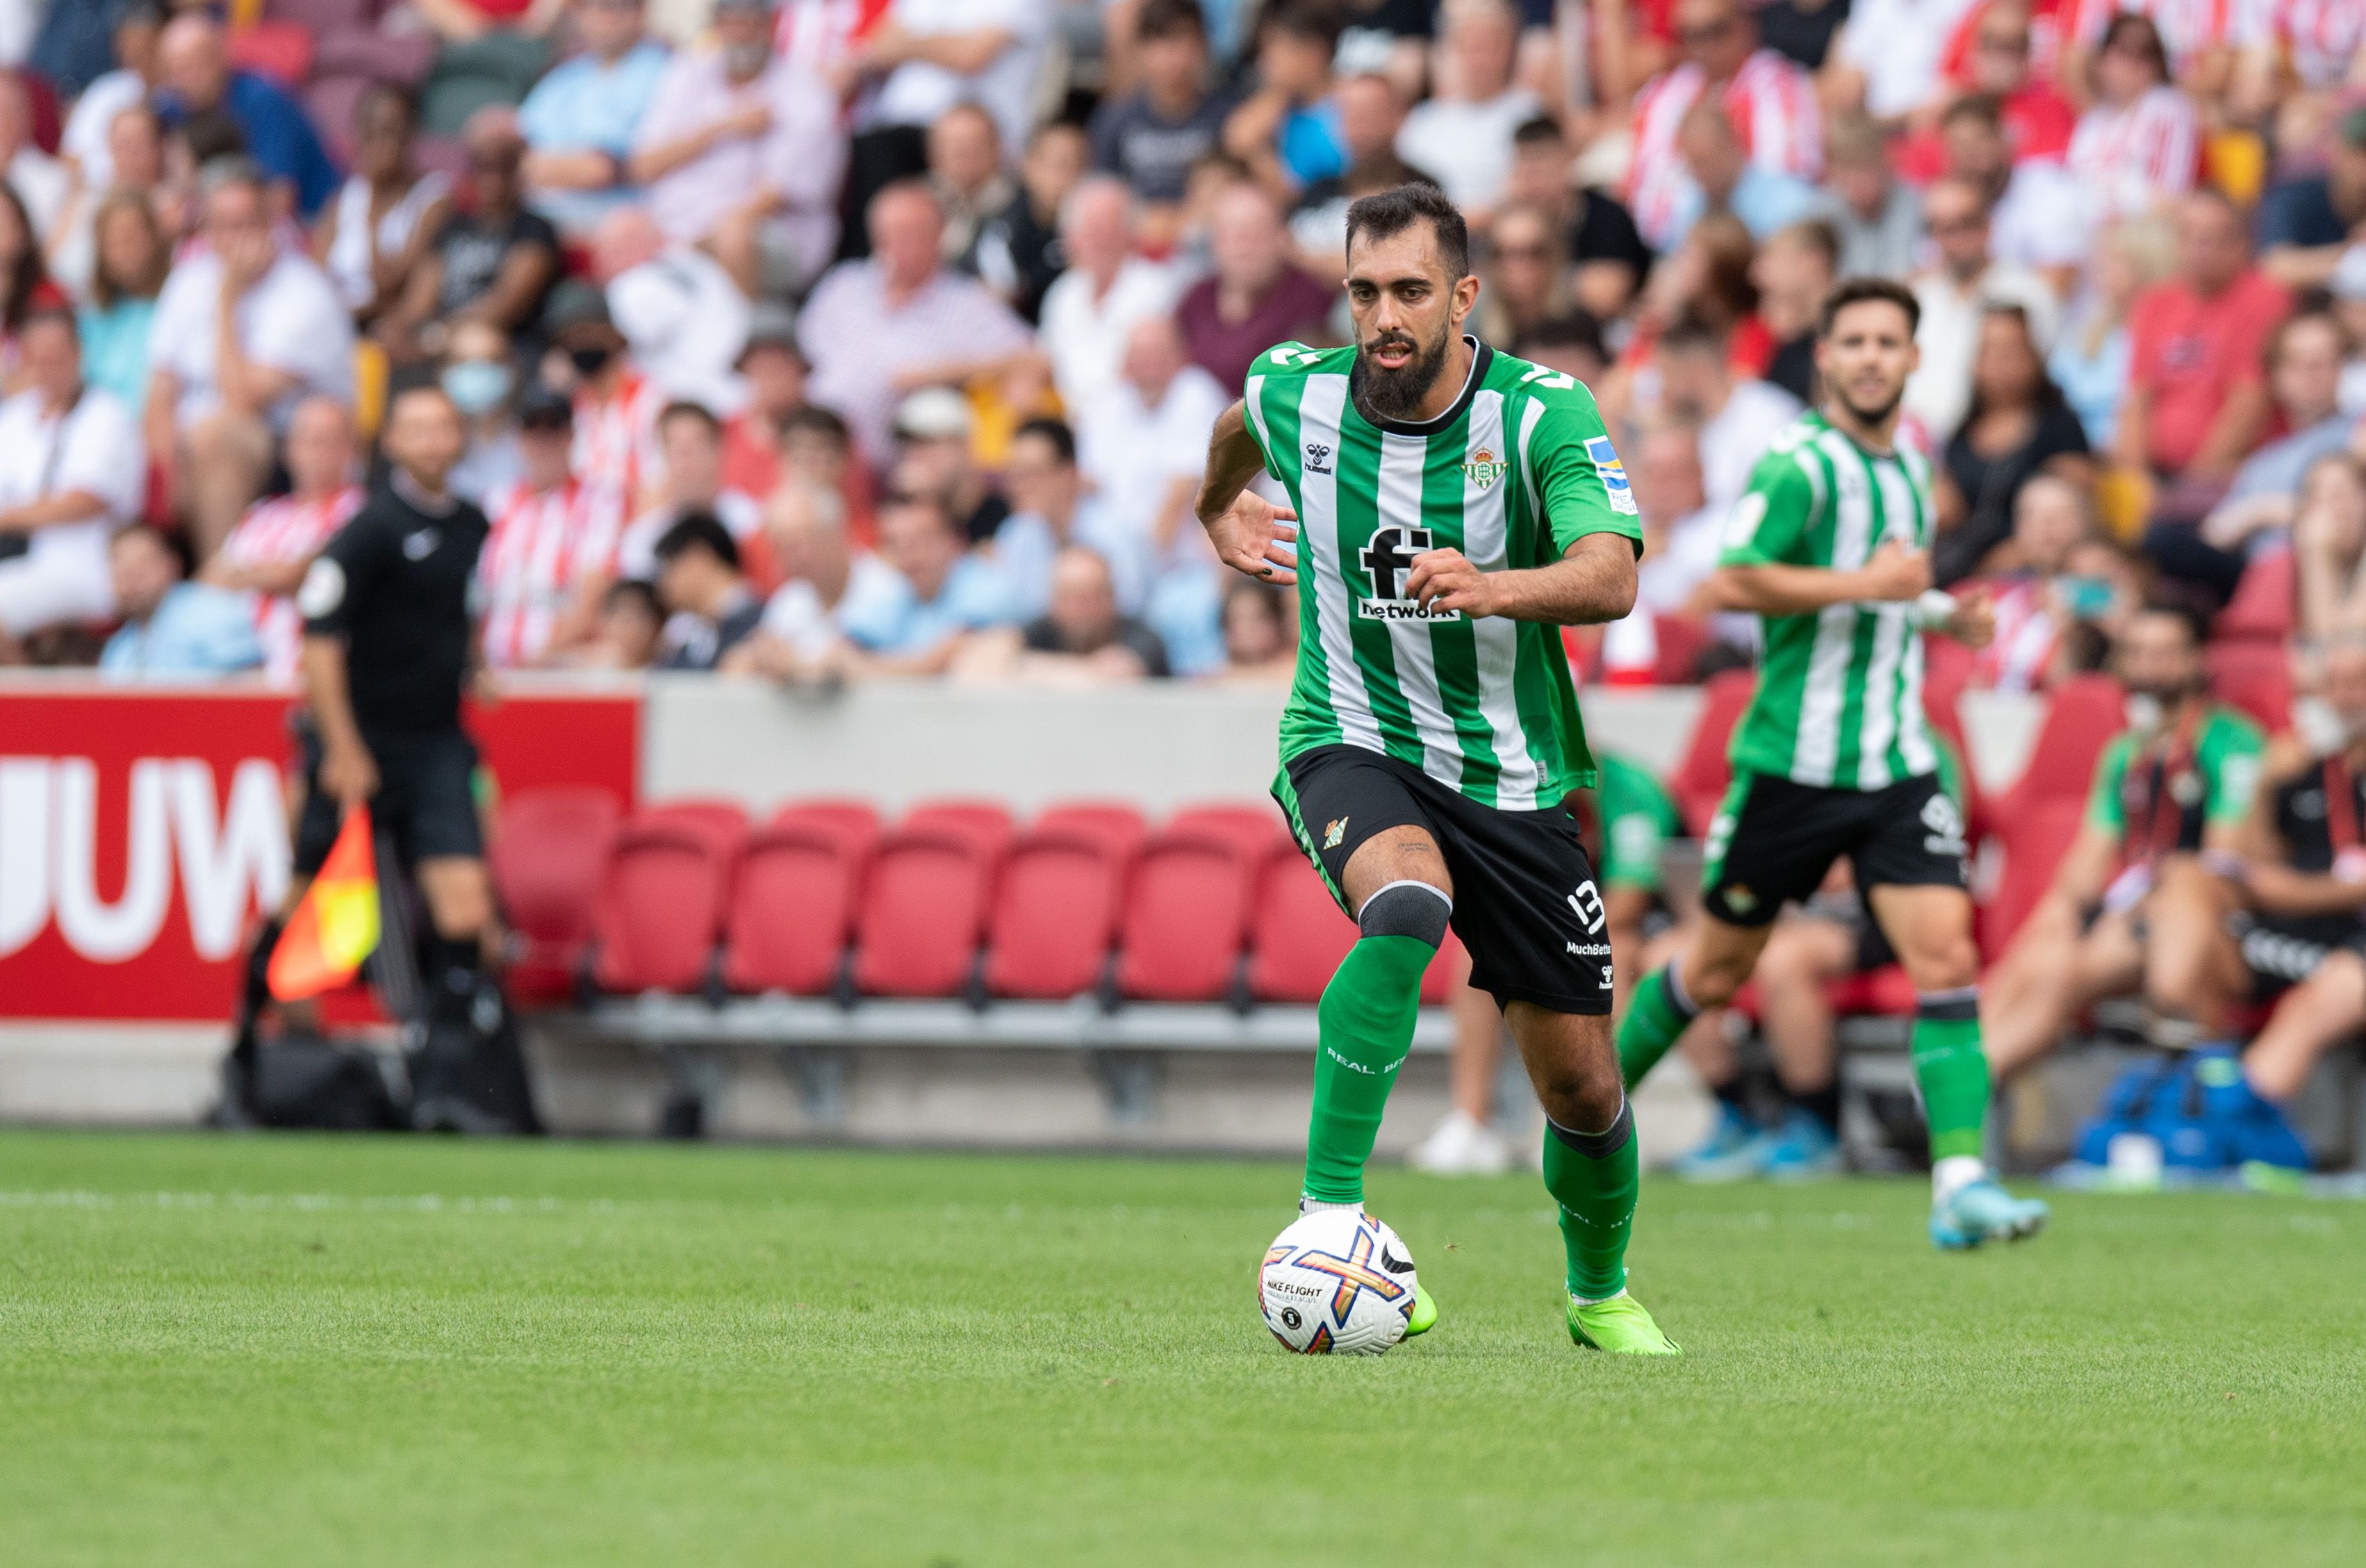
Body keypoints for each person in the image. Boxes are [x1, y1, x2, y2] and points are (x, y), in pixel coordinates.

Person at [1193, 183, 1676, 1353]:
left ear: (1464, 295)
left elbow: (1612, 574)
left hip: (1511, 779)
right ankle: (1329, 1214)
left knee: (1585, 1092)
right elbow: (1233, 433)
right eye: (1364, 291)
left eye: (1410, 291)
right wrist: (1218, 514)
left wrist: (1497, 583)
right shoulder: (1294, 387)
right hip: (1349, 733)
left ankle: (1598, 1290)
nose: (1384, 316)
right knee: (1406, 902)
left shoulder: (1539, 414)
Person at [1616, 277, 2051, 1251]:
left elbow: (1886, 595)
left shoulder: (1907, 472)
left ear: (1911, 360)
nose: (1867, 357)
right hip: (1791, 767)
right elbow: (1728, 580)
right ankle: (1590, 1115)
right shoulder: (1799, 466)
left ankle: (1961, 1181)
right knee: (1717, 971)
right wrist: (1875, 583)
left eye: (1885, 342)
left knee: (1946, 958)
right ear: (1825, 357)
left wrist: (1942, 612)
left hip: (1895, 761)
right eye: (1850, 340)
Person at [285, 383, 533, 1134]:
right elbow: (321, 644)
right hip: (363, 743)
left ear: (459, 439)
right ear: (390, 443)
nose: (432, 441)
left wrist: (474, 664)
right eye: (416, 428)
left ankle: (444, 1082)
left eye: (443, 427)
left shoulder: (471, 524)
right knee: (305, 914)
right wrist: (344, 747)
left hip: (435, 745)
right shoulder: (367, 531)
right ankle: (271, 1065)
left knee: (464, 907)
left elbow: (457, 608)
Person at [1982, 602, 2267, 1084]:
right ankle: (1949, 1095)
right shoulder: (2125, 753)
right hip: (2131, 919)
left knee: (2059, 971)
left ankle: (1952, 1102)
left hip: (2206, 921)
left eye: (2164, 654)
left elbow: (2225, 859)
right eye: (2136, 654)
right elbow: (2088, 859)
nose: (2149, 668)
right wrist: (2054, 917)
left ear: (2196, 659)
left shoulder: (2232, 741)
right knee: (2033, 959)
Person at [1408, 749, 1683, 1178]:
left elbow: (1628, 904)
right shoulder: (1507, 784)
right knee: (1475, 952)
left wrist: (1545, 940)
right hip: (1553, 928)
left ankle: (1600, 1124)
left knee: (1618, 953)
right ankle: (1471, 1122)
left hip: (1643, 930)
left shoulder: (1630, 789)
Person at [145, 158, 355, 557]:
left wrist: (228, 298)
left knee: (223, 434)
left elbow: (241, 402)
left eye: (249, 223)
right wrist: (167, 466)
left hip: (286, 445)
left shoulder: (307, 293)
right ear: (205, 230)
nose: (237, 237)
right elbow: (160, 389)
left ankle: (220, 583)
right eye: (225, 225)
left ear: (272, 223)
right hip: (190, 442)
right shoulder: (188, 277)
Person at [2229, 638, 2366, 1143]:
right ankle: (2179, 1105)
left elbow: (2271, 884)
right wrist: (2264, 784)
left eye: (2359, 684)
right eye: (2335, 685)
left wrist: (2287, 891)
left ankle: (2239, 1121)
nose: (2347, 697)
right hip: (2300, 934)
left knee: (2336, 984)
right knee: (2186, 922)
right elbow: (2249, 867)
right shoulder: (2302, 768)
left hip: (2351, 946)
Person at [797, 179, 1034, 462]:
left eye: (917, 234)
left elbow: (1032, 358)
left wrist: (936, 374)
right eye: (895, 235)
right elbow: (799, 357)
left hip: (897, 457)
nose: (904, 246)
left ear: (939, 237)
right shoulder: (844, 284)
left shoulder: (966, 303)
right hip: (812, 439)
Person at [629, 0, 845, 297]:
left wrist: (690, 242)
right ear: (717, 26)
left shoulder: (805, 93)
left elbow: (772, 197)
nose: (742, 33)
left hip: (769, 234)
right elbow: (643, 166)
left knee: (734, 236)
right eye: (733, 22)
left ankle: (750, 334)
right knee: (621, 227)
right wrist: (723, 127)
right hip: (678, 225)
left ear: (770, 27)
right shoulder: (689, 72)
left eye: (753, 23)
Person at [1078, 313, 1231, 673]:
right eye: (1138, 355)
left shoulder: (1197, 394)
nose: (1147, 365)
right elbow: (1087, 484)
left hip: (1182, 561)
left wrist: (1137, 578)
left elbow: (1179, 499)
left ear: (1180, 355)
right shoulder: (1107, 402)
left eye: (1157, 354)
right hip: (1115, 554)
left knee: (1180, 609)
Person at [2118, 190, 2293, 486]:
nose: (2198, 248)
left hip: (2226, 472)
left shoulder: (2264, 300)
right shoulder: (2154, 304)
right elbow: (2137, 399)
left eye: (2211, 238)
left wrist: (2188, 487)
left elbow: (2249, 405)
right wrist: (2136, 481)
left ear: (2240, 244)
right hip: (2156, 473)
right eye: (2188, 235)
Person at [0, 307, 145, 659]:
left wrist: (6, 519)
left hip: (84, 566)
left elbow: (85, 500)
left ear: (79, 354)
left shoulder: (107, 415)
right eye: (37, 358)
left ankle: (23, 702)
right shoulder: (16, 415)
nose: (46, 367)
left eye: (56, 358)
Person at [1627, 0, 1821, 250]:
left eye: (1714, 31)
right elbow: (1645, 196)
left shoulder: (1779, 84)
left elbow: (1791, 182)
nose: (1703, 47)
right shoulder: (1661, 97)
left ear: (1744, 27)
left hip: (1766, 238)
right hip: (1682, 247)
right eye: (1690, 36)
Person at [202, 394, 365, 686]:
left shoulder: (359, 510)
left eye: (326, 440)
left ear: (351, 450)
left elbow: (303, 574)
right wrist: (274, 574)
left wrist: (245, 573)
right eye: (306, 439)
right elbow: (210, 574)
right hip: (240, 669)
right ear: (288, 450)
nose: (315, 451)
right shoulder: (262, 513)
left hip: (310, 675)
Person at [379, 108, 561, 365]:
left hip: (504, 345)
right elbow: (419, 299)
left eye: (503, 168)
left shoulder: (534, 229)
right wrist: (399, 329)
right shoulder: (454, 227)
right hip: (439, 336)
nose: (493, 179)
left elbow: (506, 305)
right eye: (484, 168)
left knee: (476, 343)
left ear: (518, 173)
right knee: (382, 339)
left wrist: (438, 335)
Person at [1934, 303, 2093, 585]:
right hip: (1964, 569)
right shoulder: (1961, 431)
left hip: (2035, 572)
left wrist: (2019, 552)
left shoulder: (2059, 426)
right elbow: (1948, 509)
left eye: (2010, 351)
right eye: (1989, 351)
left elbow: (2076, 512)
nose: (2000, 363)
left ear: (2034, 356)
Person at [1903, 176, 2056, 443]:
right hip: (1911, 439)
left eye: (1967, 223)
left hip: (1987, 447)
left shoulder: (2027, 293)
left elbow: (2030, 388)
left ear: (1988, 225)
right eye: (1944, 228)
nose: (1957, 237)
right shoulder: (1920, 296)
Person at [479, 389, 625, 668]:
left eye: (553, 429)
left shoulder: (600, 503)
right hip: (493, 673)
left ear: (571, 436)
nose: (543, 441)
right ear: (518, 438)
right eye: (533, 429)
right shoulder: (494, 504)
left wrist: (537, 659)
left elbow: (594, 592)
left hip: (559, 669)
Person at [154, 10, 338, 219]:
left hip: (312, 222)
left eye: (194, 66)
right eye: (176, 71)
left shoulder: (264, 99)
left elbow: (280, 200)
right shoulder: (174, 108)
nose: (185, 80)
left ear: (222, 56)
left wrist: (193, 211)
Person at [516, 0, 670, 236]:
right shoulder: (566, 76)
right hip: (540, 216)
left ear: (641, 12)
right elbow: (516, 152)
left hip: (623, 221)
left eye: (619, 6)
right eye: (594, 6)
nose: (606, 15)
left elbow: (600, 170)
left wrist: (543, 169)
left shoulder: (667, 71)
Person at [729, 479, 900, 681]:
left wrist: (796, 666)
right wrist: (757, 656)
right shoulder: (790, 600)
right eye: (780, 548)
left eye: (798, 543)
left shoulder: (886, 589)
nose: (790, 558)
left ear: (835, 532)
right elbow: (741, 664)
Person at [1174, 179, 1333, 396]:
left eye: (1255, 235)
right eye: (1230, 236)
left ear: (1281, 237)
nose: (1242, 249)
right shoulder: (1196, 300)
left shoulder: (1310, 298)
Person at [1089, 0, 1229, 246]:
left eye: (1183, 41)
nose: (1172, 56)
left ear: (1203, 45)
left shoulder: (1228, 116)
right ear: (1140, 50)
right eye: (1161, 42)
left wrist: (1182, 221)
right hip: (1134, 247)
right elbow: (1101, 192)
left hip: (1209, 243)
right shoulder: (1116, 118)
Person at [315, 85, 452, 332]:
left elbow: (390, 284)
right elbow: (316, 275)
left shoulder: (431, 199)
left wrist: (374, 204)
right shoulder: (345, 197)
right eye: (367, 130)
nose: (373, 143)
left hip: (390, 328)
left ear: (410, 135)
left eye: (386, 131)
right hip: (337, 324)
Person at [1035, 176, 1178, 414]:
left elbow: (1148, 370)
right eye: (1088, 230)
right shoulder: (1062, 294)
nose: (1099, 239)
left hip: (1136, 420)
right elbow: (1044, 361)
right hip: (1066, 422)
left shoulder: (1158, 287)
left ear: (1131, 233)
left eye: (1109, 228)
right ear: (1071, 237)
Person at [841, 484, 1018, 673]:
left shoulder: (987, 586)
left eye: (920, 540)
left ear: (955, 540)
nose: (908, 555)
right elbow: (840, 652)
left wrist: (862, 668)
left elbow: (936, 665)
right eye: (895, 543)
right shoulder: (897, 594)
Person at [594, 207, 750, 415]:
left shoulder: (633, 285)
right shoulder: (694, 262)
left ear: (643, 243)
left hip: (698, 409)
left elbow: (602, 348)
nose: (602, 259)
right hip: (741, 392)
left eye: (614, 248)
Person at [1393, 0, 1540, 220]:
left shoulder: (1531, 113)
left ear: (1511, 48)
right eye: (1472, 46)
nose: (1481, 59)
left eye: (1491, 46)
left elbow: (1531, 195)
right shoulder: (1422, 122)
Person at [993, 415, 1147, 621]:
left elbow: (1130, 614)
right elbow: (1016, 612)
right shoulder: (1017, 532)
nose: (1020, 486)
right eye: (1014, 474)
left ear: (1069, 473)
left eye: (1032, 473)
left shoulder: (1114, 536)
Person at [1650, 313, 1801, 517]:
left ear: (1694, 372)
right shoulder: (1696, 424)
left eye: (1666, 375)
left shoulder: (1768, 417)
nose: (1663, 390)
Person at [962, 545, 1171, 684]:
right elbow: (979, 663)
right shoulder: (1043, 628)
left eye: (1090, 595)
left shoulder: (1142, 637)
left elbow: (1115, 677)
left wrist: (1022, 667)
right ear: (1053, 601)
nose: (1080, 608)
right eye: (1068, 596)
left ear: (1112, 598)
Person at [2064, 11, 2198, 222]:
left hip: (2140, 233)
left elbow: (2170, 199)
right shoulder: (2093, 119)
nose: (2136, 63)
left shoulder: (2168, 108)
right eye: (2124, 51)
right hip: (2087, 232)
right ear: (2101, 60)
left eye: (2147, 52)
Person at [97, 522, 261, 679]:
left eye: (141, 568)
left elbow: (255, 683)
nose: (131, 583)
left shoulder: (209, 611)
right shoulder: (120, 646)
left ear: (172, 565)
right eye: (122, 572)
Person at [619, 399, 762, 578]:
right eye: (677, 448)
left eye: (697, 445)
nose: (687, 460)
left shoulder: (751, 522)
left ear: (719, 451)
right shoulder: (642, 539)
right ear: (664, 457)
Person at [1222, 1, 1347, 199]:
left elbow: (1294, 195)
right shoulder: (1283, 106)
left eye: (1274, 49)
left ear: (1314, 52)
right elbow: (1237, 138)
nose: (1264, 62)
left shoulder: (1349, 107)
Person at [2258, 104, 2366, 294]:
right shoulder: (2296, 195)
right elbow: (2276, 266)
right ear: (2336, 152)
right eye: (2358, 152)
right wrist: (2351, 253)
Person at [75, 190, 165, 415]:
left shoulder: (175, 303)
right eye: (115, 240)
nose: (126, 249)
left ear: (155, 238)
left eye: (134, 235)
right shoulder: (91, 314)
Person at [1813, 110, 1924, 283]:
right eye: (1849, 168)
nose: (1860, 179)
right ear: (1832, 171)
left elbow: (1909, 273)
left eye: (1868, 166)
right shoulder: (1822, 214)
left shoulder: (1916, 203)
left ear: (1886, 163)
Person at [650, 509, 762, 670]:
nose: (663, 585)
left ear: (699, 558)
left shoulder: (768, 622)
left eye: (668, 569)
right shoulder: (691, 638)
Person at [1753, 218, 1837, 405]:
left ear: (1812, 261)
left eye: (1771, 258)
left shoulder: (1846, 331)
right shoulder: (1786, 336)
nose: (1756, 275)